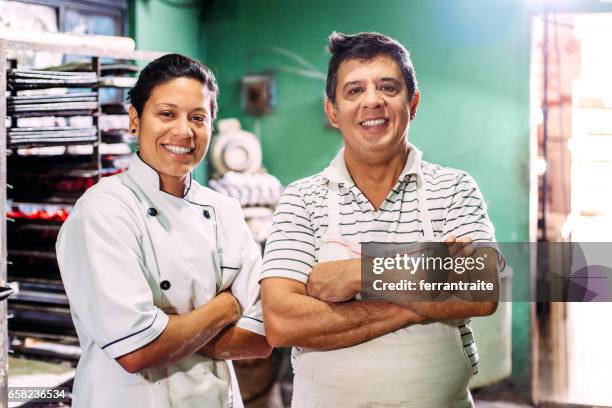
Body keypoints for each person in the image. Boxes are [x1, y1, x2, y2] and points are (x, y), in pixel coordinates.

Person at [260, 32, 504, 407]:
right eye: (354, 91)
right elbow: (283, 323)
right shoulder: (301, 199)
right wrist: (427, 275)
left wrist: (357, 274)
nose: (372, 101)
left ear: (413, 103)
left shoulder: (454, 187)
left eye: (387, 87)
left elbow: (481, 288)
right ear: (332, 111)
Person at [56, 54, 271, 408]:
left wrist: (168, 333)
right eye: (167, 114)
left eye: (198, 118)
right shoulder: (104, 210)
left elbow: (261, 338)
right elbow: (138, 352)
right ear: (135, 121)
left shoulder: (226, 211)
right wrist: (227, 306)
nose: (184, 132)